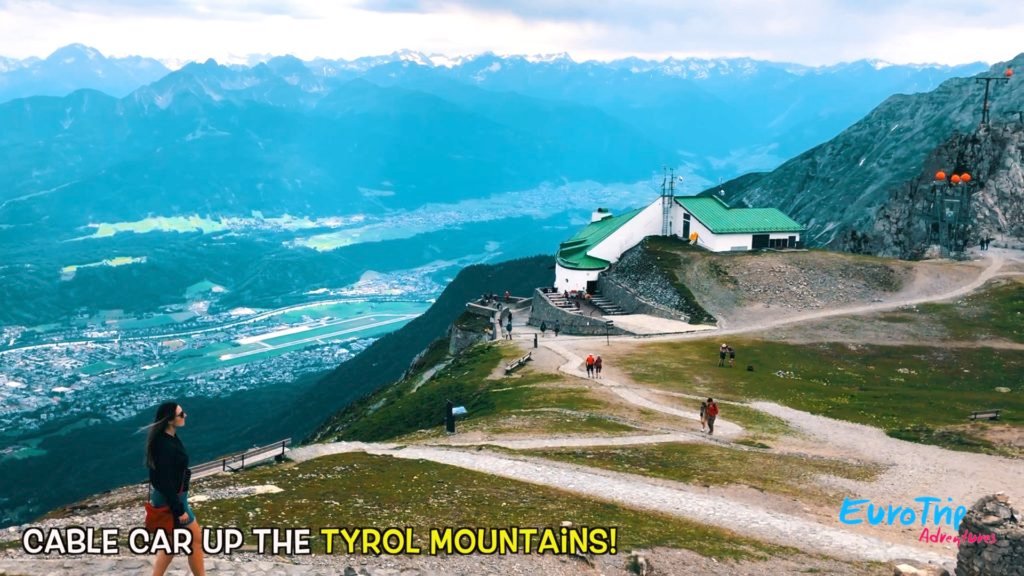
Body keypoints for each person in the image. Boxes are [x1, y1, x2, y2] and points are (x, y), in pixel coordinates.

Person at [145, 402, 205, 576]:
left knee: (171, 547)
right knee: (195, 540)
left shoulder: (168, 438)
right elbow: (162, 480)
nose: (185, 415)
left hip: (175, 498)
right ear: (170, 420)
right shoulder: (164, 445)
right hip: (172, 500)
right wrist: (178, 510)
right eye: (181, 414)